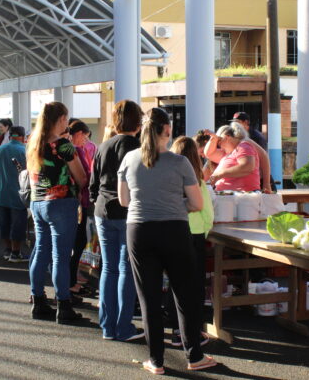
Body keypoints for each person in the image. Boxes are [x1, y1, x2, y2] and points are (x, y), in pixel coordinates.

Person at [118, 107, 216, 374]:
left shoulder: (129, 159)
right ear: (167, 131)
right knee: (184, 294)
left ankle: (156, 361)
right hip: (174, 231)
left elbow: (125, 201)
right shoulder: (180, 163)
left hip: (139, 230)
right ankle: (194, 356)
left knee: (148, 297)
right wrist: (173, 203)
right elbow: (196, 203)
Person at [89, 100, 144, 341]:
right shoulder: (137, 147)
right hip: (127, 213)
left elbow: (92, 184)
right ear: (138, 121)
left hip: (102, 210)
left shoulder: (103, 145)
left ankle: (107, 327)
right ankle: (124, 327)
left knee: (108, 268)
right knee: (126, 270)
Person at [27, 101, 86, 324]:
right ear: (61, 119)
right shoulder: (63, 145)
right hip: (61, 203)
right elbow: (80, 176)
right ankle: (64, 304)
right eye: (66, 118)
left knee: (41, 250)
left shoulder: (33, 143)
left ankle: (38, 300)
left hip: (38, 203)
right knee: (61, 256)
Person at [167, 136, 214, 347]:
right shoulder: (197, 181)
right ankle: (191, 332)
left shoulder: (167, 180)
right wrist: (205, 231)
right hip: (194, 235)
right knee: (194, 286)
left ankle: (176, 330)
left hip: (173, 232)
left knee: (174, 284)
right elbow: (206, 212)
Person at [0, 125, 28, 262]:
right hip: (18, 195)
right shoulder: (25, 151)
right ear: (23, 137)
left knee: (4, 223)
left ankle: (8, 249)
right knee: (18, 224)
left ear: (9, 137)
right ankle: (16, 252)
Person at [66, 120, 95, 303]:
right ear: (76, 134)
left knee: (78, 244)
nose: (86, 139)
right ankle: (71, 283)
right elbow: (82, 178)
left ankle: (72, 280)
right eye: (83, 135)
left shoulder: (81, 150)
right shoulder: (73, 151)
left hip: (81, 201)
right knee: (77, 244)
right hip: (78, 202)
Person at [204, 123, 261, 192]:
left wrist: (220, 173)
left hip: (243, 197)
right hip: (231, 197)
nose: (218, 144)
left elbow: (248, 167)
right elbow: (208, 153)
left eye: (219, 140)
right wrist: (214, 138)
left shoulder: (243, 146)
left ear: (227, 137)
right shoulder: (226, 153)